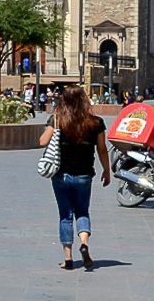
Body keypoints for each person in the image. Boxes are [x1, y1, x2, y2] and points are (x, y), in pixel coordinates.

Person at [39, 86, 110, 270]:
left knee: (65, 215)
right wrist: (106, 170)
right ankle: (84, 244)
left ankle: (68, 259)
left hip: (61, 175)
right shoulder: (96, 122)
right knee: (82, 212)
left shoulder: (57, 120)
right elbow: (102, 149)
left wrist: (53, 124)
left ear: (64, 100)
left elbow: (43, 142)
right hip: (84, 175)